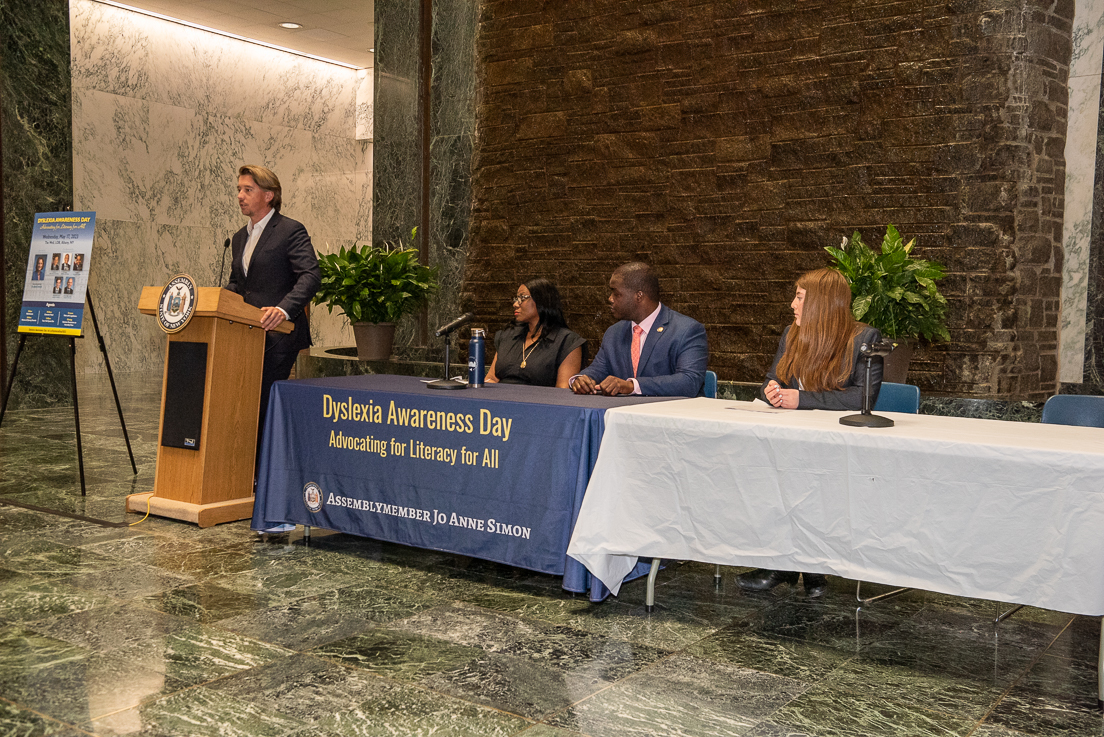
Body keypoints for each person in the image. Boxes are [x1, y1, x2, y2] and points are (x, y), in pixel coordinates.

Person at [737, 267, 884, 598]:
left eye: (799, 298)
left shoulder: (863, 338)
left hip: (838, 445)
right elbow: (770, 380)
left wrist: (800, 399)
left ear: (820, 303)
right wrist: (772, 391)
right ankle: (801, 568)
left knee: (805, 480)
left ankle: (792, 567)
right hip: (793, 441)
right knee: (769, 473)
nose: (792, 304)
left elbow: (861, 398)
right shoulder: (792, 334)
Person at [226, 164, 320, 534]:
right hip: (244, 336)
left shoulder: (290, 231)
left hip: (279, 334)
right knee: (246, 405)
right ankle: (250, 479)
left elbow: (311, 275)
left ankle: (272, 489)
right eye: (238, 189)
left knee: (267, 404)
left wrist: (284, 307)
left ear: (269, 195)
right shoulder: (238, 237)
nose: (240, 195)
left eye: (247, 189)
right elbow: (237, 285)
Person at [571, 262, 707, 397]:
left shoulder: (686, 330)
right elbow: (598, 369)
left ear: (639, 296)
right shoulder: (614, 332)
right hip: (622, 415)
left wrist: (632, 386)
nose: (610, 298)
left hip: (672, 414)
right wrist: (582, 379)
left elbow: (689, 382)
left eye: (616, 293)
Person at [486, 278, 586, 388]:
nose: (515, 304)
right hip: (500, 400)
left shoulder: (567, 341)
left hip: (539, 403)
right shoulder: (508, 335)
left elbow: (562, 392)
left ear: (541, 300)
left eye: (522, 298)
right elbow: (492, 378)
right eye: (516, 298)